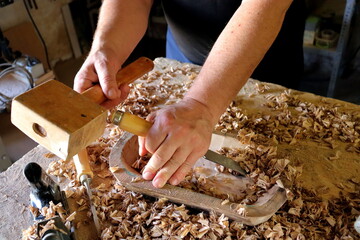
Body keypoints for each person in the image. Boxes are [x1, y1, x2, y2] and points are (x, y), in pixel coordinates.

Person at [74, 0, 306, 189]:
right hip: (183, 60)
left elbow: (267, 5)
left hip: (262, 68)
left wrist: (201, 104)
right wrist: (107, 48)